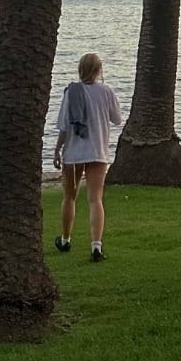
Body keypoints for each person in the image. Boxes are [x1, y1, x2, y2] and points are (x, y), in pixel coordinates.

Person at [52, 52, 122, 262]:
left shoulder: (71, 92)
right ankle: (96, 246)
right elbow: (117, 119)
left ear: (79, 69)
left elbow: (64, 126)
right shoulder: (106, 92)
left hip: (73, 154)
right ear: (99, 71)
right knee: (95, 199)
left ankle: (65, 239)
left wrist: (57, 150)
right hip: (98, 152)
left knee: (70, 196)